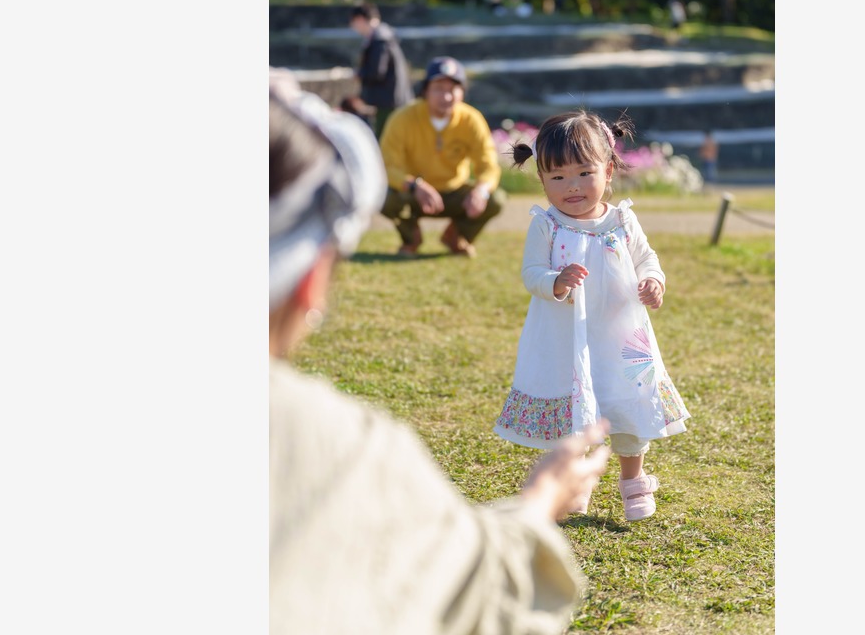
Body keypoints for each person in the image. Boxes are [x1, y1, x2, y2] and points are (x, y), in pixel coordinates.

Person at [268, 69, 612, 634]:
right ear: (311, 282)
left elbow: (483, 165)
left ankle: (457, 233)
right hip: (415, 196)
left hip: (455, 198)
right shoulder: (344, 448)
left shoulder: (473, 125)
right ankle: (416, 232)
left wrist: (478, 187)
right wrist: (544, 498)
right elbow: (470, 590)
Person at [492, 110, 692, 522]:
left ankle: (633, 481)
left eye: (584, 173)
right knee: (572, 415)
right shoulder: (546, 224)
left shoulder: (621, 220)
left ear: (609, 169)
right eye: (558, 177)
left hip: (620, 336)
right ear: (542, 180)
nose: (573, 187)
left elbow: (646, 258)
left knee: (626, 403)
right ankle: (575, 483)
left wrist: (653, 280)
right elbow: (531, 273)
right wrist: (556, 281)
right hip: (565, 337)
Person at [379, 56, 505, 258]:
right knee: (383, 198)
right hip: (414, 193)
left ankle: (457, 235)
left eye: (453, 89)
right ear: (425, 91)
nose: (446, 96)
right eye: (438, 88)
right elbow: (387, 166)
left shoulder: (471, 119)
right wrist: (415, 185)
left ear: (462, 93)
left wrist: (481, 190)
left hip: (455, 192)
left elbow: (489, 165)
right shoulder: (402, 118)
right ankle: (410, 238)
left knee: (495, 199)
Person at [347, 2, 413, 138]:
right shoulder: (384, 35)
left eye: (354, 23)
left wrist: (359, 74)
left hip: (388, 103)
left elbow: (376, 72)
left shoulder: (379, 39)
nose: (354, 27)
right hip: (393, 100)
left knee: (385, 141)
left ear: (360, 19)